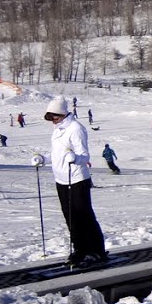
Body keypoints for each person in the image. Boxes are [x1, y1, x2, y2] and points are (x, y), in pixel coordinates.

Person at [42, 95, 107, 267]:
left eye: (55, 116)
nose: (53, 120)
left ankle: (96, 251)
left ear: (63, 113)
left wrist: (75, 158)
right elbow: (58, 154)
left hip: (77, 178)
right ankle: (80, 250)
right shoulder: (58, 130)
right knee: (70, 217)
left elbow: (84, 156)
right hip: (61, 179)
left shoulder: (76, 128)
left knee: (84, 216)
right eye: (50, 117)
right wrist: (44, 158)